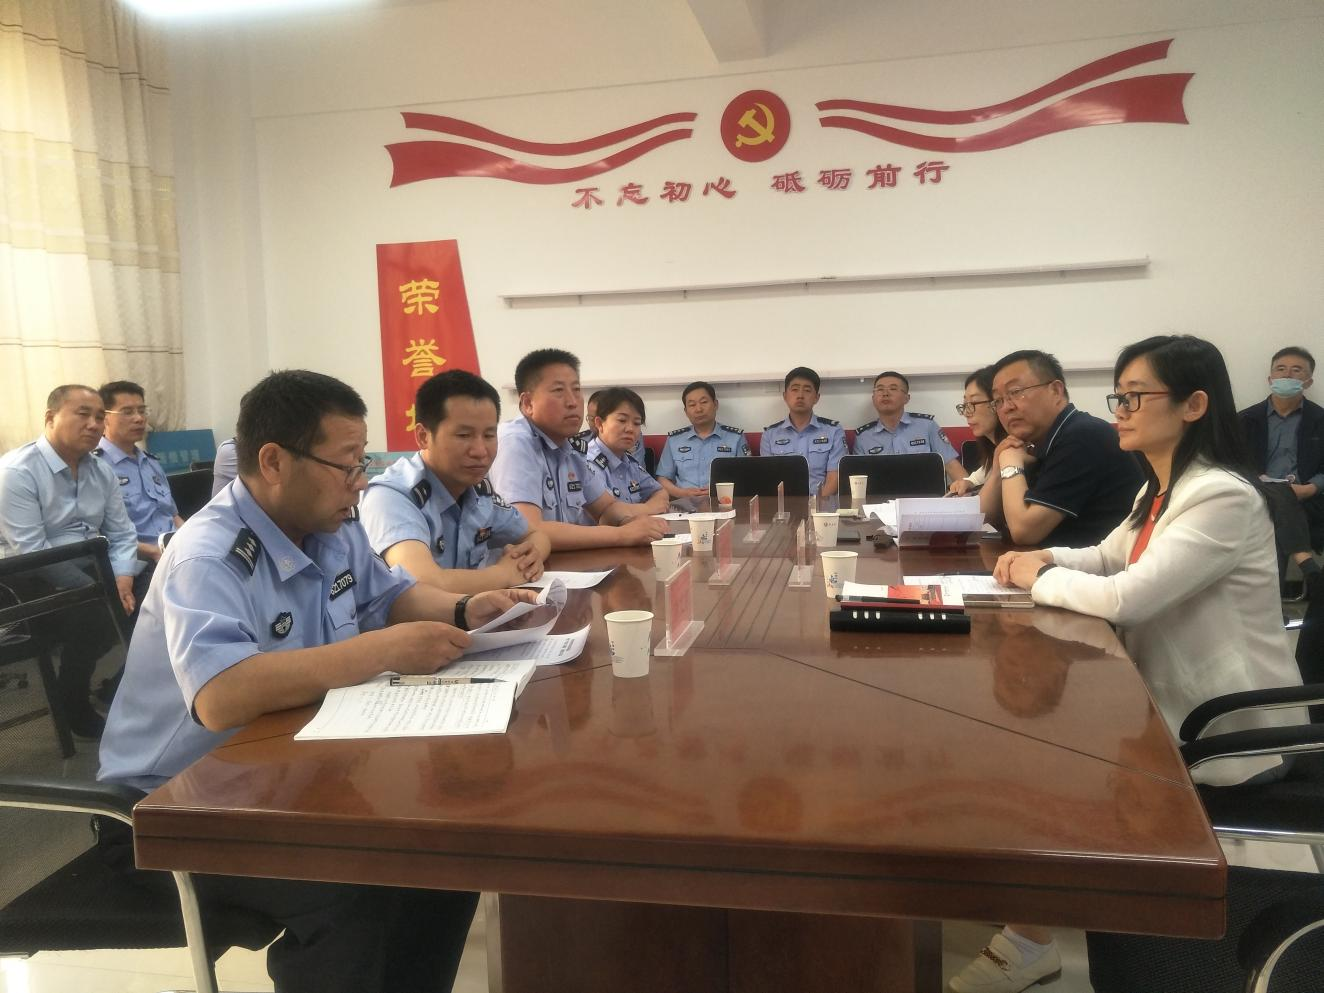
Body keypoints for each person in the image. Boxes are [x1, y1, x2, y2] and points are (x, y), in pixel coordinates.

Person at [98, 369, 535, 993]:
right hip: (173, 809)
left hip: (292, 772)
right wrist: (379, 651)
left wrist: (466, 609)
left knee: (447, 851)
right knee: (351, 884)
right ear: (274, 461)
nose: (360, 483)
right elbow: (222, 696)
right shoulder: (207, 555)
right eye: (347, 465)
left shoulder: (331, 524)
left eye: (363, 464)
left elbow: (389, 597)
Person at [954, 336, 1304, 993]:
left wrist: (1036, 575)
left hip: (1220, 725)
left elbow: (1127, 597)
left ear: (1194, 404)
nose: (1119, 410)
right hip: (1158, 700)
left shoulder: (1221, 496)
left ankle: (1030, 939)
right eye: (1118, 396)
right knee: (1034, 757)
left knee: (1044, 768)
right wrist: (1048, 559)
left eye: (1135, 397)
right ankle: (1028, 935)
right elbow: (1106, 556)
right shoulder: (1161, 490)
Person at [0, 385, 138, 737]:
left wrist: (122, 578)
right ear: (51, 418)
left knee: (161, 592)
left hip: (92, 565)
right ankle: (71, 698)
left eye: (99, 417)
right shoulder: (17, 471)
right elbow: (32, 550)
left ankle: (125, 689)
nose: (93, 424)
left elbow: (123, 533)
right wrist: (103, 589)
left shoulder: (101, 470)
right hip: (26, 576)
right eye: (83, 414)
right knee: (96, 615)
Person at [360, 369, 551, 594]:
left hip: (475, 613)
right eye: (464, 435)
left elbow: (536, 535)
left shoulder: (478, 491)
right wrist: (504, 574)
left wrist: (531, 557)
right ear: (423, 436)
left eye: (489, 435)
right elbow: (423, 583)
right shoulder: (391, 497)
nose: (480, 451)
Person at [488, 349, 668, 550]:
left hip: (568, 564)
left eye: (576, 390)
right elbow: (528, 530)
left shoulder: (570, 448)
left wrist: (635, 524)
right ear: (528, 403)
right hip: (523, 567)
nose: (573, 402)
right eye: (559, 391)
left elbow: (607, 508)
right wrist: (622, 534)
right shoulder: (515, 441)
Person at [981, 349, 1141, 547]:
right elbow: (982, 517)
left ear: (1056, 391)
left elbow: (1024, 531)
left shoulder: (1082, 436)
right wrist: (998, 470)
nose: (1006, 407)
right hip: (1054, 561)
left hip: (1101, 565)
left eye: (1015, 392)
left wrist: (1009, 463)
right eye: (998, 400)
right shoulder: (1036, 442)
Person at [1238, 346, 1323, 591]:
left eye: (1296, 370)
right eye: (1281, 369)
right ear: (1270, 379)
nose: (1287, 375)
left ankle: (1272, 603)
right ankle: (1306, 564)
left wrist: (1310, 488)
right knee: (1275, 498)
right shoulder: (1244, 420)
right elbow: (1231, 463)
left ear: (1308, 382)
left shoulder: (1321, 420)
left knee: (1272, 519)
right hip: (1255, 495)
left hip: (1307, 499)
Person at [95, 381, 184, 599]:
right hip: (138, 564)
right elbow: (100, 535)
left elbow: (173, 515)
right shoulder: (95, 467)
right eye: (127, 412)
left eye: (142, 411)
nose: (139, 418)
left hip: (174, 552)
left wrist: (192, 537)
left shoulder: (150, 462)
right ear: (104, 417)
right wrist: (155, 552)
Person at [853, 371, 965, 483]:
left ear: (907, 398)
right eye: (880, 389)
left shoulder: (927, 426)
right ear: (873, 398)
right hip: (881, 493)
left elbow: (951, 466)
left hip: (925, 492)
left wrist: (968, 488)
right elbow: (857, 481)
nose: (885, 393)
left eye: (893, 388)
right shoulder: (863, 437)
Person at [759, 367, 845, 498]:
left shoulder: (834, 431)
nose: (800, 395)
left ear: (816, 398)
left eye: (807, 390)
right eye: (794, 389)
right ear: (785, 396)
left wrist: (815, 506)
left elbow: (835, 478)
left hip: (822, 503)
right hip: (783, 505)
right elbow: (768, 479)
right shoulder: (770, 435)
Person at [655, 381, 750, 499]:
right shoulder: (674, 440)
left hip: (723, 502)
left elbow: (747, 476)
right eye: (692, 405)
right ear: (686, 411)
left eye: (704, 402)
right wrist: (681, 493)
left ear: (715, 405)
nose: (699, 409)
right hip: (684, 503)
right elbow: (662, 479)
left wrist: (719, 491)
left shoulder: (735, 438)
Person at [585, 387, 670, 513]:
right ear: (599, 423)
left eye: (636, 423)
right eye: (622, 420)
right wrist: (648, 508)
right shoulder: (587, 462)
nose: (630, 429)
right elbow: (609, 513)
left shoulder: (629, 462)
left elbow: (660, 492)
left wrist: (651, 506)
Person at [948, 366, 1006, 496]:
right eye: (965, 405)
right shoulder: (994, 448)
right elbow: (979, 476)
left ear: (996, 402)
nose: (966, 413)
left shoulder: (1016, 447)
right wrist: (968, 482)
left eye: (973, 403)